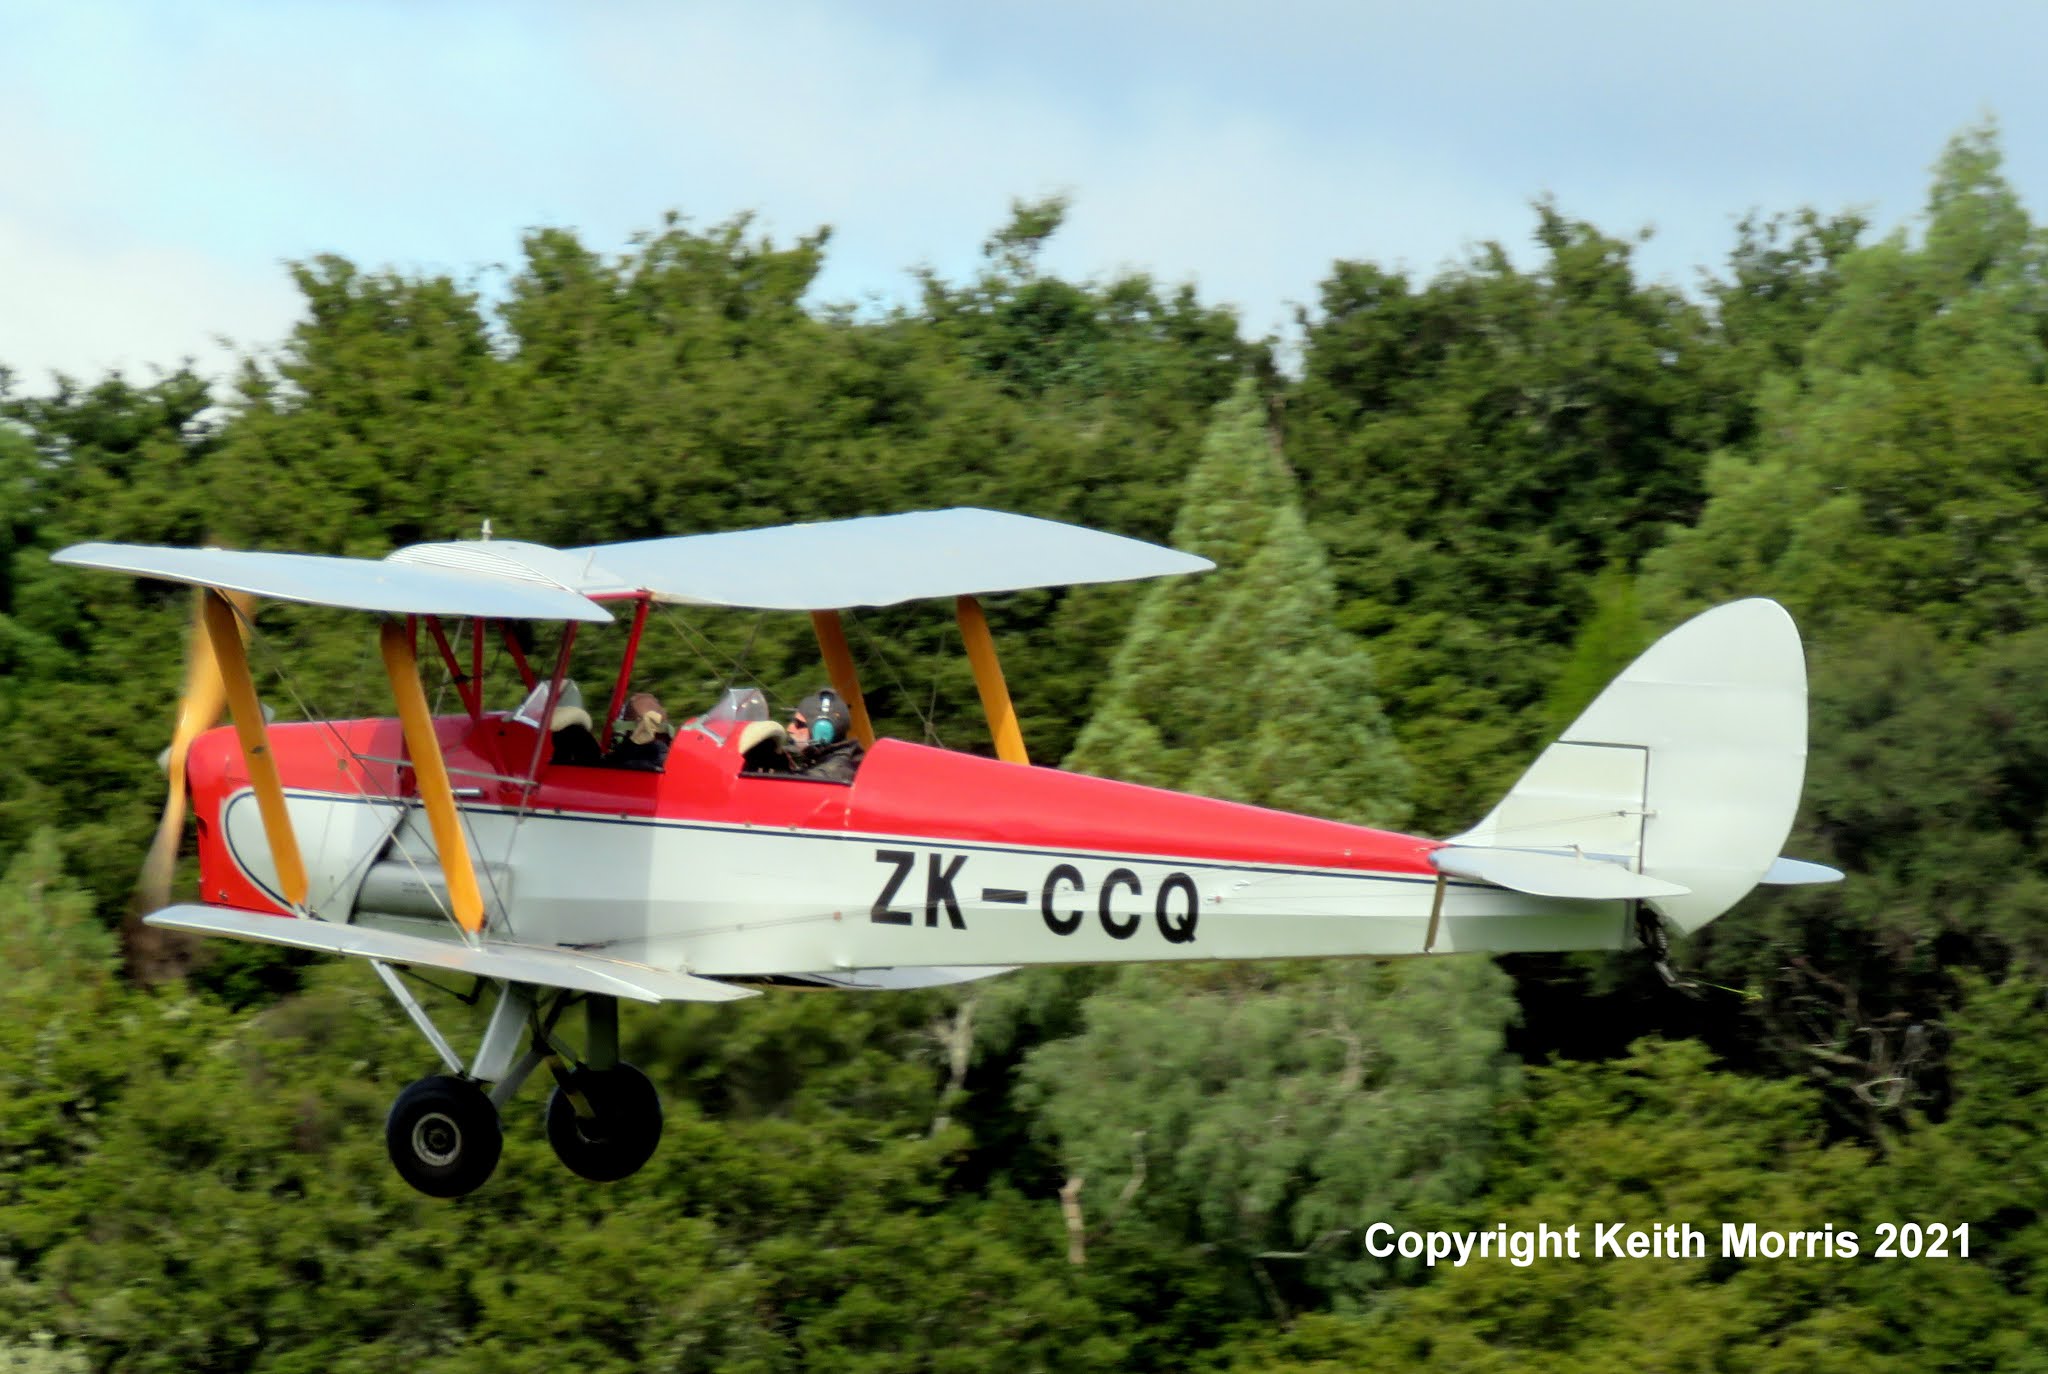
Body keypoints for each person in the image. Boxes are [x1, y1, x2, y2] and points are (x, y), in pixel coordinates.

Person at [786, 687, 863, 782]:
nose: (789, 729)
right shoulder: (843, 759)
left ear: (822, 733)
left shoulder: (829, 776)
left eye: (799, 724)